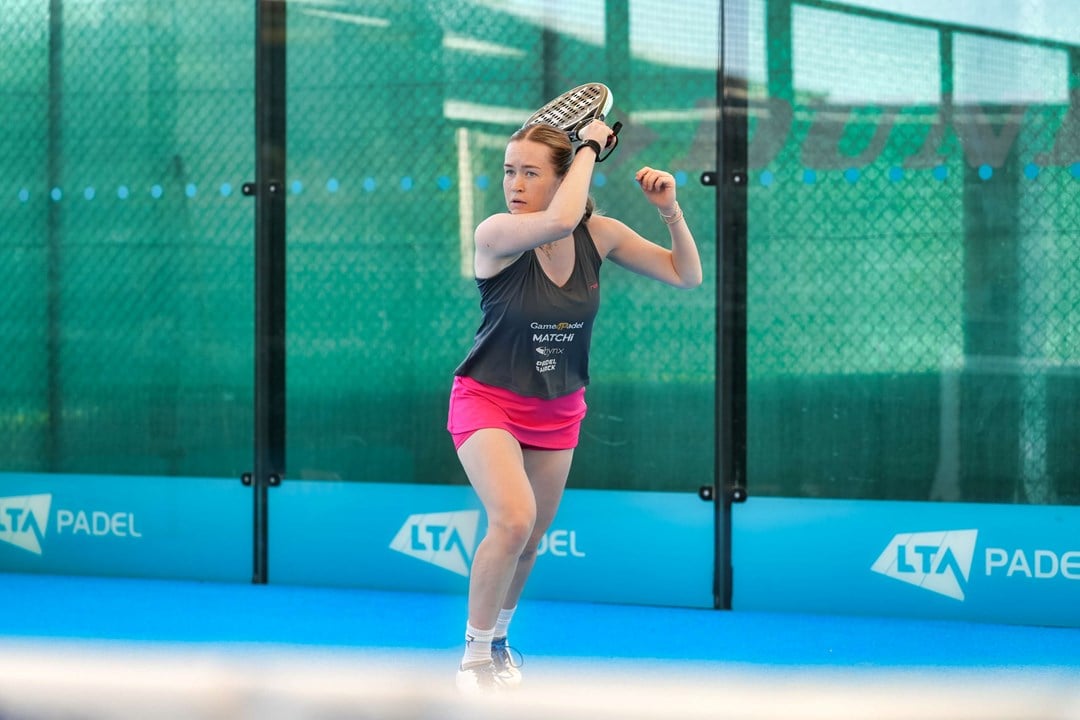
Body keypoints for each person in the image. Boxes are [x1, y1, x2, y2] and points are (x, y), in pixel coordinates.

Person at [446, 117, 702, 694]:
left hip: (558, 407)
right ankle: (474, 658)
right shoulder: (496, 233)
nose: (514, 182)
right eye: (509, 170)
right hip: (487, 400)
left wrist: (669, 209)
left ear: (565, 178)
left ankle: (501, 640)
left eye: (531, 172)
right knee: (512, 520)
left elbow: (686, 275)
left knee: (531, 539)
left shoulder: (601, 235)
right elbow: (560, 217)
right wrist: (586, 144)